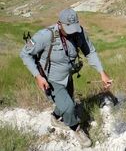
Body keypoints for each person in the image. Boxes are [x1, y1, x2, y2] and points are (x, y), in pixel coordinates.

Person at [20, 8, 112, 147]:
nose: (72, 31)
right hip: (51, 79)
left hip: (67, 76)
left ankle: (55, 118)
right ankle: (77, 129)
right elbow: (24, 54)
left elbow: (90, 52)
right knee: (69, 107)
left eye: (74, 27)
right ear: (59, 24)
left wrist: (102, 72)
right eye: (68, 28)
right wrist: (38, 76)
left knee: (67, 101)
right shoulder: (45, 36)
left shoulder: (79, 33)